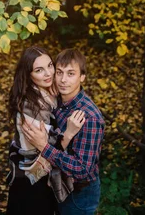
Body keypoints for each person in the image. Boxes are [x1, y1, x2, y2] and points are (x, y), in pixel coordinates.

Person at [22, 49, 105, 215]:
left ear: (82, 77)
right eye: (59, 72)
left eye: (71, 74)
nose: (63, 80)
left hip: (78, 195)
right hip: (57, 184)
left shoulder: (90, 118)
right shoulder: (57, 101)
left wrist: (44, 147)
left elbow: (82, 170)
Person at [6, 46, 86, 215]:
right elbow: (47, 153)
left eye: (50, 66)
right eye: (39, 70)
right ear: (28, 75)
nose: (48, 73)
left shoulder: (48, 95)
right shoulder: (31, 108)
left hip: (43, 183)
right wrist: (69, 133)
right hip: (30, 184)